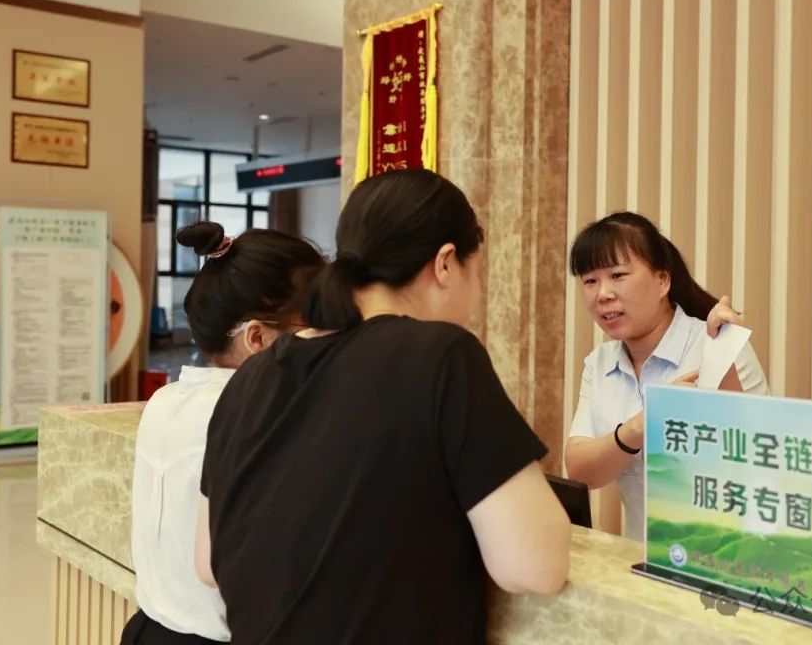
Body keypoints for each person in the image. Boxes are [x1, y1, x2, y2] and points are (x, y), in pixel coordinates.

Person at [195, 170, 571, 644]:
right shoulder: (441, 355)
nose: (477, 297)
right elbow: (535, 566)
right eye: (477, 272)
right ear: (445, 264)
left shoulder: (250, 376)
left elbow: (208, 562)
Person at [123, 223, 324, 645]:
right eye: (314, 328)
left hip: (148, 631)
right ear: (257, 337)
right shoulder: (253, 416)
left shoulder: (166, 400)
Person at [564, 212, 770, 540]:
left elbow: (756, 466)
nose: (602, 294)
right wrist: (640, 426)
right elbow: (581, 471)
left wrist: (724, 355)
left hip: (726, 555)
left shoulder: (715, 346)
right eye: (590, 281)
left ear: (662, 281)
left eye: (617, 275)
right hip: (642, 556)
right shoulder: (599, 363)